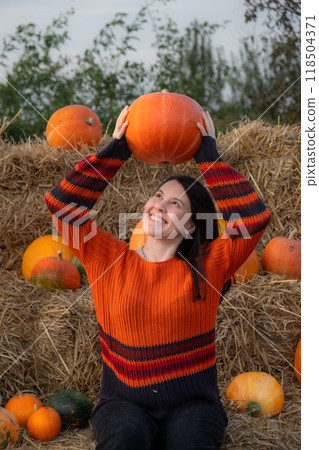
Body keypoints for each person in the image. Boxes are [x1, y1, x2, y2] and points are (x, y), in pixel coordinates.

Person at [45, 106, 271, 449]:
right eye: (158, 196)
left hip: (193, 406)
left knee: (190, 443)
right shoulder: (107, 256)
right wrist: (118, 150)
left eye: (175, 205)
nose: (159, 207)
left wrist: (207, 157)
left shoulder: (210, 265)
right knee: (125, 440)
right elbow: (62, 206)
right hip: (122, 404)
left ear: (192, 225)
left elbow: (253, 218)